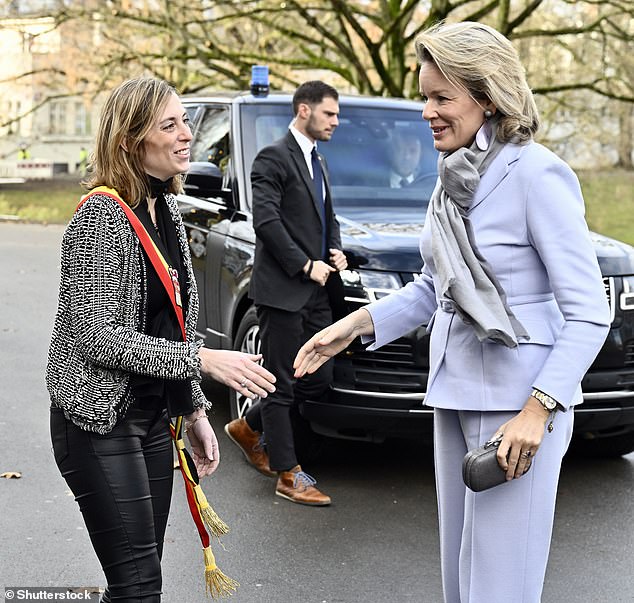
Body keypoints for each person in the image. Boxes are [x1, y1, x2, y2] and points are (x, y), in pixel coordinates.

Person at [294, 22, 610, 602]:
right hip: (455, 392)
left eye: (442, 98)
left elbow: (590, 311)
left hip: (521, 407)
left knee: (500, 585)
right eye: (424, 97)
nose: (426, 112)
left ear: (487, 97)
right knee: (460, 582)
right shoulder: (453, 177)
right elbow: (434, 288)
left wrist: (537, 412)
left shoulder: (537, 174)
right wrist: (352, 327)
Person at [46, 77, 276, 602]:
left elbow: (173, 321)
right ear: (130, 140)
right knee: (139, 585)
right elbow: (94, 338)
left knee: (138, 580)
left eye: (184, 121)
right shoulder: (99, 218)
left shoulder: (166, 211)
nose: (186, 134)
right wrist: (204, 360)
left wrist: (193, 411)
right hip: (97, 419)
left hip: (152, 420)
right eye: (169, 124)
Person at [224, 80, 347, 506]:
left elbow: (326, 215)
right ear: (303, 111)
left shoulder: (319, 161)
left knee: (318, 375)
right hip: (281, 291)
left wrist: (335, 251)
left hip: (315, 291)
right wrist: (304, 264)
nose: (335, 121)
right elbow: (267, 222)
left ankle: (248, 426)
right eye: (329, 113)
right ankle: (288, 475)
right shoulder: (273, 157)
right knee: (280, 382)